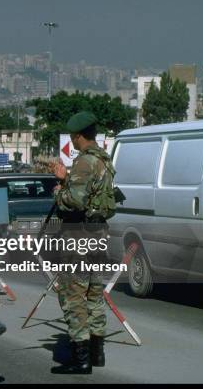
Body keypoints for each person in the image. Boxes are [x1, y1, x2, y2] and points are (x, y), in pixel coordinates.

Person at [49, 111, 116, 375]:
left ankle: (81, 360)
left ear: (78, 136)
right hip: (98, 236)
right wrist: (69, 180)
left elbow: (74, 201)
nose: (73, 143)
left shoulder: (84, 162)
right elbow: (93, 195)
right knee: (94, 296)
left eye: (73, 138)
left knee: (73, 295)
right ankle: (97, 353)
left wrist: (59, 190)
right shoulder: (104, 160)